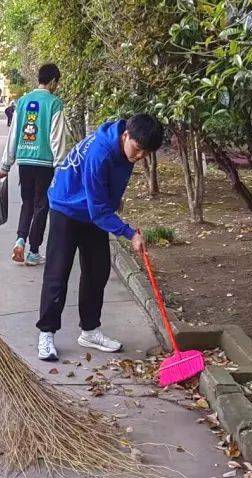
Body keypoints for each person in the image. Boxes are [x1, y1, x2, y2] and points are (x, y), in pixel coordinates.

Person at [36, 113, 164, 361]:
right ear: (126, 135)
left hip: (95, 210)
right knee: (58, 272)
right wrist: (128, 233)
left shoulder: (125, 147)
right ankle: (47, 333)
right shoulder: (101, 153)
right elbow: (97, 210)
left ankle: (90, 330)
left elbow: (101, 199)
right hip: (67, 207)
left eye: (145, 154)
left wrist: (115, 200)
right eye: (138, 149)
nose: (139, 157)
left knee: (98, 271)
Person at [0, 63, 67, 267]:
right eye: (57, 83)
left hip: (25, 161)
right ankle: (34, 251)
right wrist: (60, 165)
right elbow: (56, 137)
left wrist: (6, 164)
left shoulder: (22, 101)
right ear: (53, 81)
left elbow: (13, 135)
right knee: (41, 206)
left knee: (27, 203)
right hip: (45, 163)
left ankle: (20, 239)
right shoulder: (55, 103)